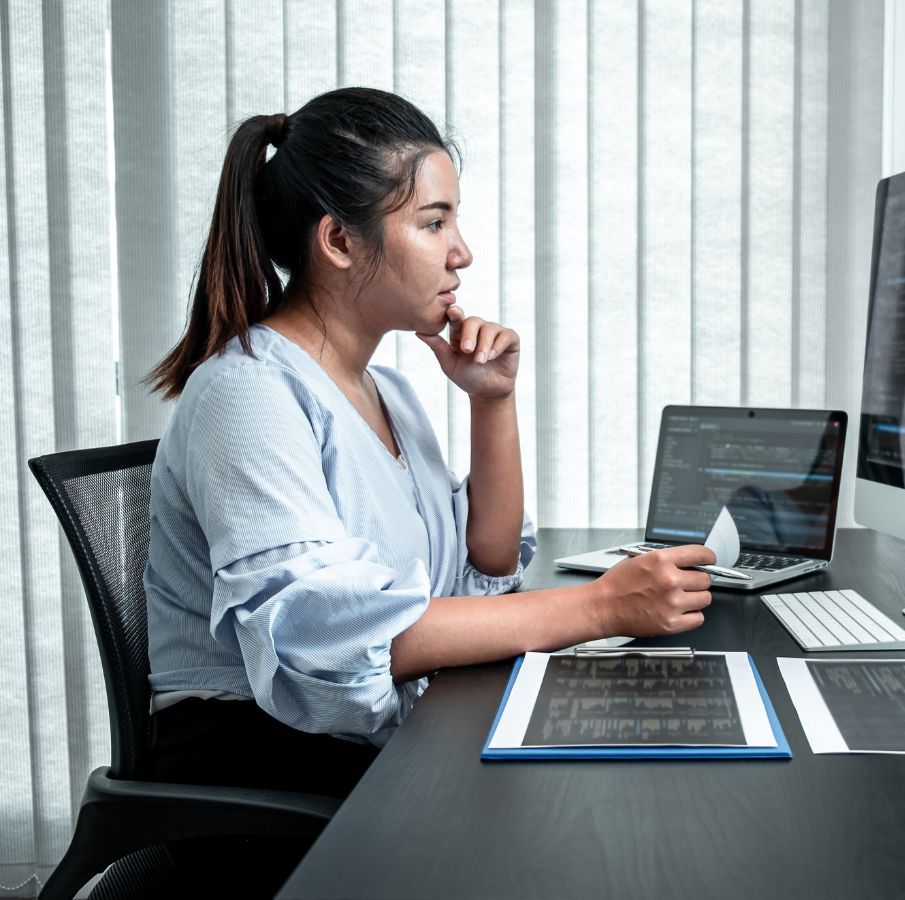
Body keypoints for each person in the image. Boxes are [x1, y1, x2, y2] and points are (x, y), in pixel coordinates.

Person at [142, 87, 715, 805]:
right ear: (340, 241)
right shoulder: (247, 392)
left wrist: (492, 399)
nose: (462, 253)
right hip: (257, 776)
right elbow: (327, 646)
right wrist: (600, 610)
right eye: (433, 222)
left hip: (367, 742)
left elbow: (485, 569)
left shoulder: (387, 392)